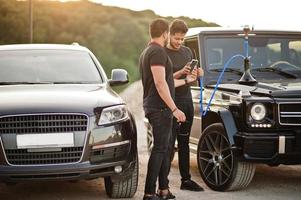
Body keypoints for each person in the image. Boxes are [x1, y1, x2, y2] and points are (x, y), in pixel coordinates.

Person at [139, 18, 196, 200]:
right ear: (165, 34)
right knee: (160, 150)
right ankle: (149, 193)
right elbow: (160, 83)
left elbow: (168, 80)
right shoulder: (157, 52)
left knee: (163, 150)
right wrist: (174, 109)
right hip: (160, 108)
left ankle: (163, 190)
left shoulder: (148, 51)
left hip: (157, 106)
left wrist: (187, 79)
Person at [165, 19, 204, 192]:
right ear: (169, 34)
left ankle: (186, 180)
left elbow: (195, 75)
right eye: (176, 38)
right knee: (167, 144)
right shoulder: (162, 53)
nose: (179, 42)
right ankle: (163, 183)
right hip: (171, 102)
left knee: (184, 143)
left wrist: (199, 73)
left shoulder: (188, 51)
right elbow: (164, 80)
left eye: (182, 39)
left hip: (187, 100)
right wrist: (181, 73)